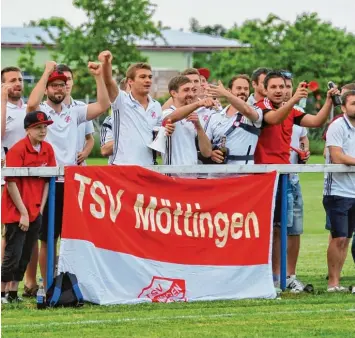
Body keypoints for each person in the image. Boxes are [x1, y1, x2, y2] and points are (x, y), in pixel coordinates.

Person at [26, 60, 110, 288]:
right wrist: (45, 71)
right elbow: (32, 103)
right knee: (48, 239)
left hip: (72, 181)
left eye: (62, 85)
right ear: (47, 89)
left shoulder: (74, 112)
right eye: (54, 85)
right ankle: (48, 284)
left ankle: (70, 283)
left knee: (73, 237)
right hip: (47, 182)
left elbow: (103, 104)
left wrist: (98, 76)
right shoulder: (41, 112)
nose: (59, 89)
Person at [254, 70, 338, 289]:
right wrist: (293, 100)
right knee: (267, 227)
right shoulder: (261, 107)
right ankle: (266, 274)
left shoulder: (291, 109)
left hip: (284, 173)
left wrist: (328, 101)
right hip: (263, 176)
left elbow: (317, 121)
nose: (279, 91)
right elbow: (273, 119)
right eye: (274, 87)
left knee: (282, 227)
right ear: (264, 89)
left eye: (282, 87)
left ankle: (280, 277)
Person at [1, 111, 56, 303]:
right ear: (28, 130)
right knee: (13, 252)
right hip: (16, 209)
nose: (42, 131)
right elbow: (11, 183)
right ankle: (2, 293)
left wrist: (39, 209)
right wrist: (23, 212)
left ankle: (14, 293)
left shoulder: (48, 149)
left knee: (25, 253)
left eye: (45, 127)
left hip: (34, 210)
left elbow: (49, 181)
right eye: (38, 127)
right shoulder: (17, 150)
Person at [98, 50, 174, 166]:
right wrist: (107, 62)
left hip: (148, 168)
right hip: (122, 167)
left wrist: (164, 133)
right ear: (130, 81)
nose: (148, 80)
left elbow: (156, 145)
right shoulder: (121, 100)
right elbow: (108, 82)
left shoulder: (156, 106)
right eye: (143, 77)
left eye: (149, 77)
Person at [323, 90, 355, 292]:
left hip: (354, 191)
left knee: (347, 238)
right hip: (337, 191)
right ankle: (332, 283)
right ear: (343, 107)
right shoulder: (337, 126)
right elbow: (337, 156)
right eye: (353, 103)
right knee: (339, 237)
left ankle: (339, 281)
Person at [1, 66, 28, 295]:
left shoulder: (28, 108)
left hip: (25, 180)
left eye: (20, 79)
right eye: (12, 80)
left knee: (18, 234)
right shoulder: (3, 107)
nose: (18, 83)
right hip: (5, 178)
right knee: (7, 234)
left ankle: (12, 287)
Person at [205, 75, 263, 166]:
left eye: (246, 89)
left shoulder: (256, 111)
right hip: (217, 174)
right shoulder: (215, 116)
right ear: (229, 91)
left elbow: (246, 110)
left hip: (243, 174)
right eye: (239, 88)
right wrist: (211, 153)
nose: (243, 91)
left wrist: (225, 94)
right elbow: (205, 145)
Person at [162, 75, 213, 166]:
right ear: (174, 93)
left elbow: (207, 152)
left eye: (192, 90)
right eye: (186, 90)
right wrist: (198, 103)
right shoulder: (166, 113)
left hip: (192, 175)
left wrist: (198, 126)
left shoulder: (194, 117)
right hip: (172, 175)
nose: (191, 94)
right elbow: (169, 118)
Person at [56, 64, 95, 166]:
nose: (66, 83)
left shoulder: (82, 107)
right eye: (62, 79)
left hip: (78, 167)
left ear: (73, 81)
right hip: (56, 166)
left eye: (69, 79)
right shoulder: (49, 110)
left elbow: (90, 139)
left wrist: (85, 152)